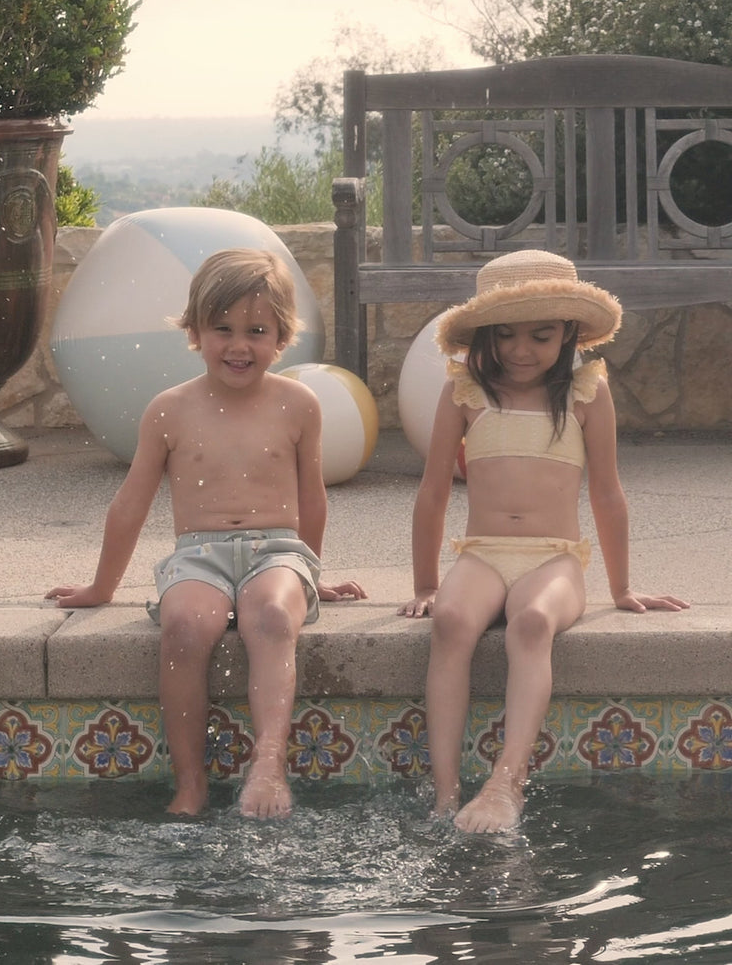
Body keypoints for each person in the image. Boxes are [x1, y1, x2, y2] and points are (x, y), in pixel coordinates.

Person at [46, 248, 365, 819]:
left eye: (256, 331)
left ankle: (269, 763)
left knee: (271, 616)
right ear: (195, 331)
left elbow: (312, 497)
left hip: (278, 551)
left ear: (282, 337)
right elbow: (130, 506)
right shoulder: (170, 411)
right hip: (199, 555)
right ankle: (190, 781)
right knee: (186, 627)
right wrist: (100, 587)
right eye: (223, 329)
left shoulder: (299, 405)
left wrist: (310, 574)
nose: (239, 345)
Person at [400, 249, 689, 835]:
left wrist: (622, 586)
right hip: (482, 552)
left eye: (540, 334)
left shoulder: (585, 394)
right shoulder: (465, 393)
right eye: (504, 335)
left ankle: (507, 781)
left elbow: (607, 494)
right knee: (451, 621)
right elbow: (432, 493)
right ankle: (445, 793)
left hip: (553, 559)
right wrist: (427, 584)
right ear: (483, 334)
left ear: (569, 333)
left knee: (532, 622)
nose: (520, 350)